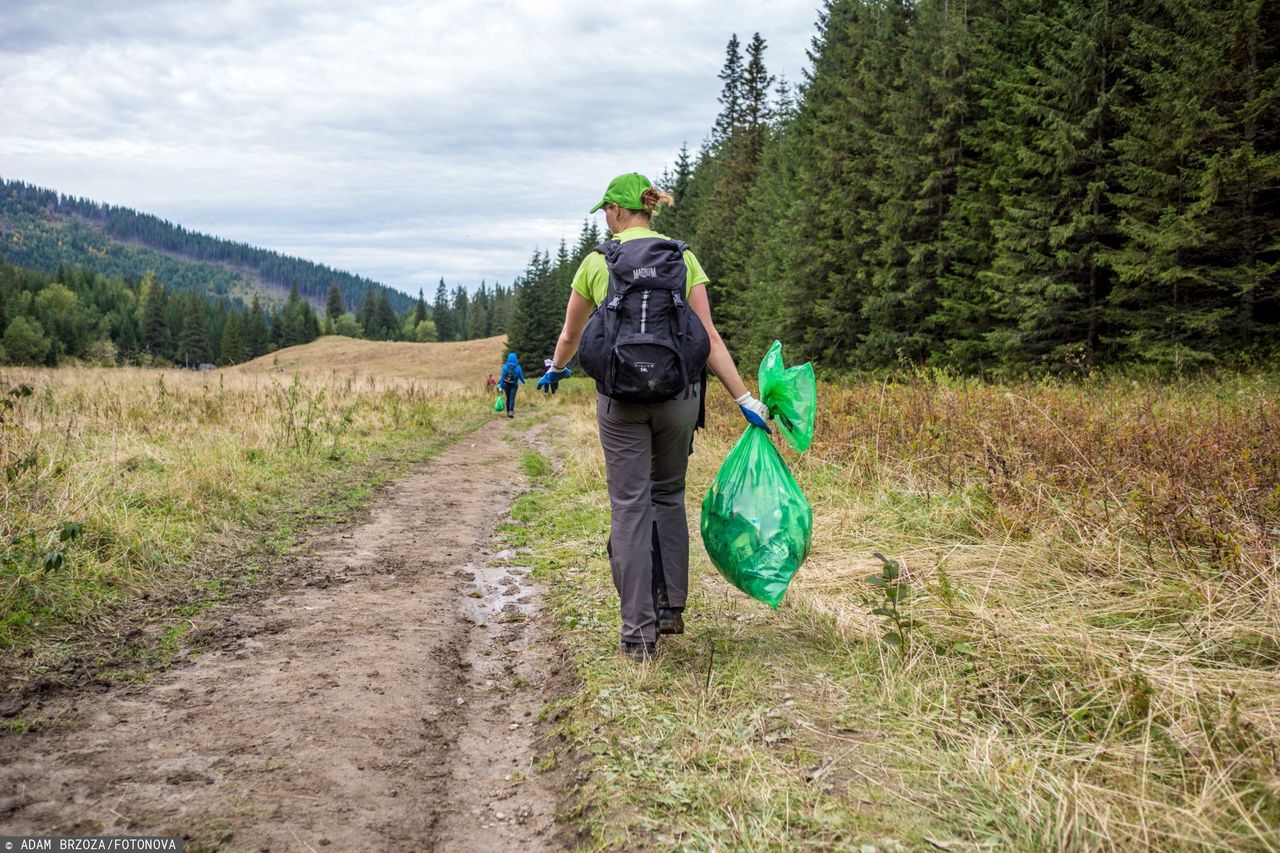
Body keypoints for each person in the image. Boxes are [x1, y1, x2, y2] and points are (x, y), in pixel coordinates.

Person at [537, 172, 771, 661]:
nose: (605, 218)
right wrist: (743, 397)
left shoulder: (597, 262)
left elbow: (569, 336)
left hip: (620, 401)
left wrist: (556, 370)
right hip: (678, 396)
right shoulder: (681, 257)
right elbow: (707, 335)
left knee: (628, 505)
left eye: (606, 210)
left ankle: (637, 634)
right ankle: (671, 608)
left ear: (620, 211)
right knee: (667, 494)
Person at [499, 353, 525, 418]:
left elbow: (502, 377)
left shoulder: (504, 367)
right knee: (512, 398)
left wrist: (501, 386)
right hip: (514, 385)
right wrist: (523, 382)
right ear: (516, 359)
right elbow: (520, 376)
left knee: (508, 398)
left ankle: (508, 412)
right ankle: (511, 411)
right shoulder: (518, 367)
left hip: (505, 384)